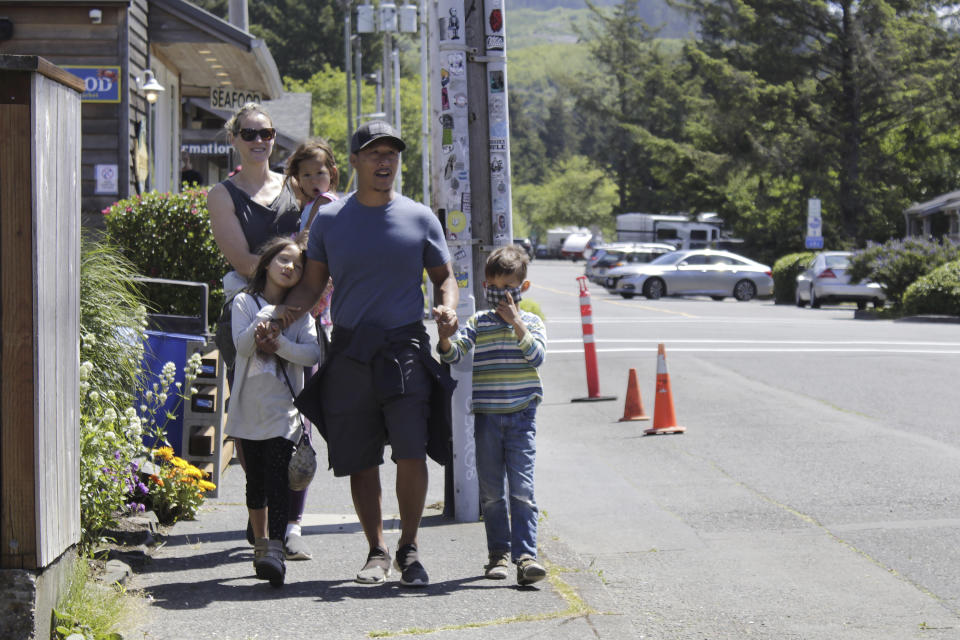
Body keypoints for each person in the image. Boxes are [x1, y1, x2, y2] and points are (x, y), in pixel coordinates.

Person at [277, 120, 459, 588]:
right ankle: (377, 551)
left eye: (391, 154)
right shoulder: (332, 221)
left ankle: (410, 548)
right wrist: (278, 318)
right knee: (360, 458)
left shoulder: (420, 218)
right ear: (353, 162)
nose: (384, 161)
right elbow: (314, 283)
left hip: (405, 348)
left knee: (412, 452)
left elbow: (444, 276)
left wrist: (447, 307)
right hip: (351, 349)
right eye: (374, 153)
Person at [207, 102, 315, 561]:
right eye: (249, 132)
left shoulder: (294, 190)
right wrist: (276, 306)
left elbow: (314, 251)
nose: (258, 140)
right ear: (233, 138)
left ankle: (289, 523)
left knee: (297, 412)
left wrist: (294, 308)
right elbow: (244, 263)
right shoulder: (222, 194)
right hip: (246, 311)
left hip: (296, 310)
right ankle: (261, 520)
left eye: (266, 132)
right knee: (252, 420)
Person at [436, 245, 548, 586]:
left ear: (521, 290)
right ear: (485, 287)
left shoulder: (530, 322)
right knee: (492, 493)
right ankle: (498, 554)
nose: (501, 298)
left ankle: (526, 555)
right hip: (486, 417)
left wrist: (516, 324)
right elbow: (454, 355)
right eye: (494, 290)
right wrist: (444, 337)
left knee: (522, 490)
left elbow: (538, 357)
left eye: (508, 291)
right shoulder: (479, 323)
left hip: (521, 418)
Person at [224, 237, 323, 587]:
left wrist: (280, 343)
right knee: (256, 483)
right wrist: (269, 316)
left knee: (279, 481)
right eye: (283, 260)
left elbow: (311, 355)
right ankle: (262, 544)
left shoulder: (301, 315)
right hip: (248, 411)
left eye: (297, 266)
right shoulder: (244, 302)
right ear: (266, 263)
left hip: (284, 414)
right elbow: (243, 345)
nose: (290, 268)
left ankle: (275, 552)